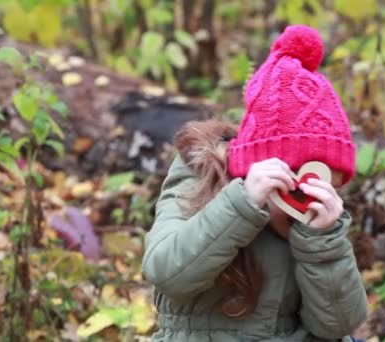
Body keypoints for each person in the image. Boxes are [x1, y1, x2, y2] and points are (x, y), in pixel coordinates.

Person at [142, 24, 368, 341]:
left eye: (327, 183)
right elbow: (166, 272)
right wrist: (241, 205)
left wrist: (322, 243)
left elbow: (337, 326)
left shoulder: (314, 222)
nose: (307, 195)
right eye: (297, 182)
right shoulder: (201, 173)